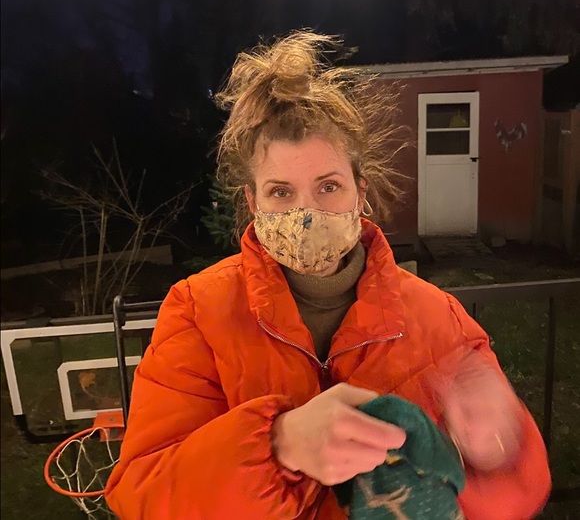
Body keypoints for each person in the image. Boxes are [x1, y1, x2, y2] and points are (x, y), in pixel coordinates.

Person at [105, 31, 551, 519]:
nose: (306, 213)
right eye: (281, 192)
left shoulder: (439, 319)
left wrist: (496, 454)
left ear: (361, 192)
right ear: (253, 202)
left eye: (328, 186)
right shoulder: (197, 312)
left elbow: (522, 489)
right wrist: (277, 447)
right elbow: (143, 493)